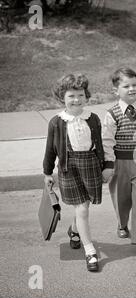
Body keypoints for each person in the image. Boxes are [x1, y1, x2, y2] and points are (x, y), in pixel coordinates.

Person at [43, 74, 104, 272]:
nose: (76, 99)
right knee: (83, 209)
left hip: (90, 166)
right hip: (68, 168)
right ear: (62, 97)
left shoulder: (93, 119)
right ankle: (90, 251)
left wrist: (106, 166)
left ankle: (74, 230)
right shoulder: (56, 122)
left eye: (80, 95)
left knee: (84, 208)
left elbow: (100, 145)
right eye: (71, 96)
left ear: (86, 96)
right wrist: (47, 172)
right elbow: (50, 150)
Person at [102, 67, 136, 259]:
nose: (132, 89)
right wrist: (108, 165)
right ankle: (122, 223)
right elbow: (107, 141)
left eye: (134, 85)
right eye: (126, 86)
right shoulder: (112, 114)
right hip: (119, 163)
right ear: (116, 90)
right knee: (121, 198)